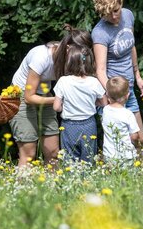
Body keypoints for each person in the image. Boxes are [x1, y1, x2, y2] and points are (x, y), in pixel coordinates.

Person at [9, 25, 92, 166]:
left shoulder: (73, 57)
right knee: (29, 154)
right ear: (67, 48)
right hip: (22, 96)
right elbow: (29, 97)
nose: (81, 59)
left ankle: (52, 187)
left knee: (53, 152)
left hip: (45, 94)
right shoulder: (41, 57)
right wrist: (59, 99)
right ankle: (22, 187)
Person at [92, 0, 143, 145]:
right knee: (121, 142)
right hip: (113, 94)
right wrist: (111, 95)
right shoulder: (100, 32)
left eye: (116, 11)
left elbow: (131, 46)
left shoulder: (128, 16)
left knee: (140, 139)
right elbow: (100, 70)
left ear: (121, 3)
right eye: (108, 14)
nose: (114, 16)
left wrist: (138, 77)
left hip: (128, 89)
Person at [53, 44, 107, 163]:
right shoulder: (94, 82)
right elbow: (104, 103)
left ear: (69, 62)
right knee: (88, 157)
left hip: (68, 125)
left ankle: (72, 180)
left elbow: (56, 107)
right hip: (89, 124)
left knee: (70, 159)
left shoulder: (63, 81)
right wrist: (92, 102)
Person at [101, 76, 141, 164]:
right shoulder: (128, 114)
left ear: (107, 94)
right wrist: (137, 146)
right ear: (128, 95)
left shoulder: (105, 110)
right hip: (126, 156)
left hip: (109, 155)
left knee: (113, 177)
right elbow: (134, 136)